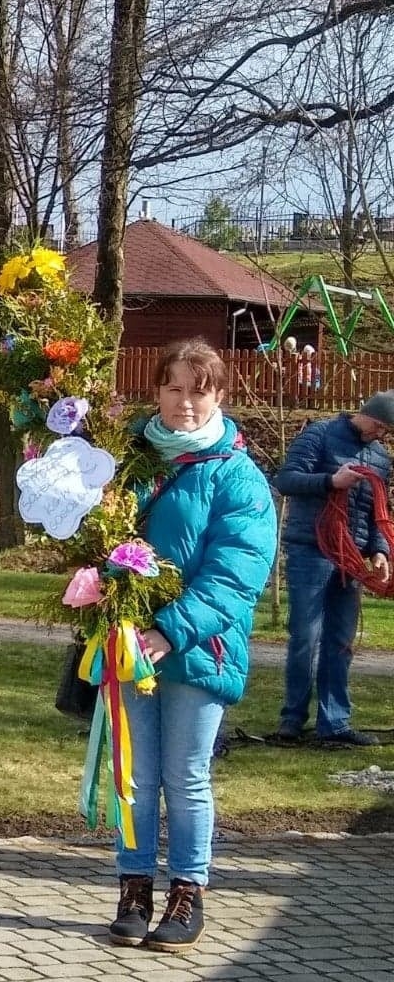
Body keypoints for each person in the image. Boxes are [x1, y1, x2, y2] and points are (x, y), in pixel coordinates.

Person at [106, 339, 275, 952]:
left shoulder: (238, 476)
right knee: (135, 773)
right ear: (156, 392)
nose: (185, 402)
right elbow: (101, 538)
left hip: (198, 651)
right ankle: (133, 886)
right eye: (173, 388)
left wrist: (169, 630)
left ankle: (187, 891)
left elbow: (236, 573)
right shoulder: (129, 462)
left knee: (185, 774)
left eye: (199, 390)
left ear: (219, 396)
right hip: (130, 642)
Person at [272, 391, 394, 747]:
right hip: (311, 549)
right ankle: (291, 720)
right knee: (305, 636)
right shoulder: (319, 435)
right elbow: (287, 480)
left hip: (351, 556)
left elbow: (376, 511)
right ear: (367, 415)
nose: (381, 436)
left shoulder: (379, 457)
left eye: (386, 432)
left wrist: (380, 551)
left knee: (341, 641)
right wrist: (330, 482)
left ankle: (335, 723)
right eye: (380, 427)